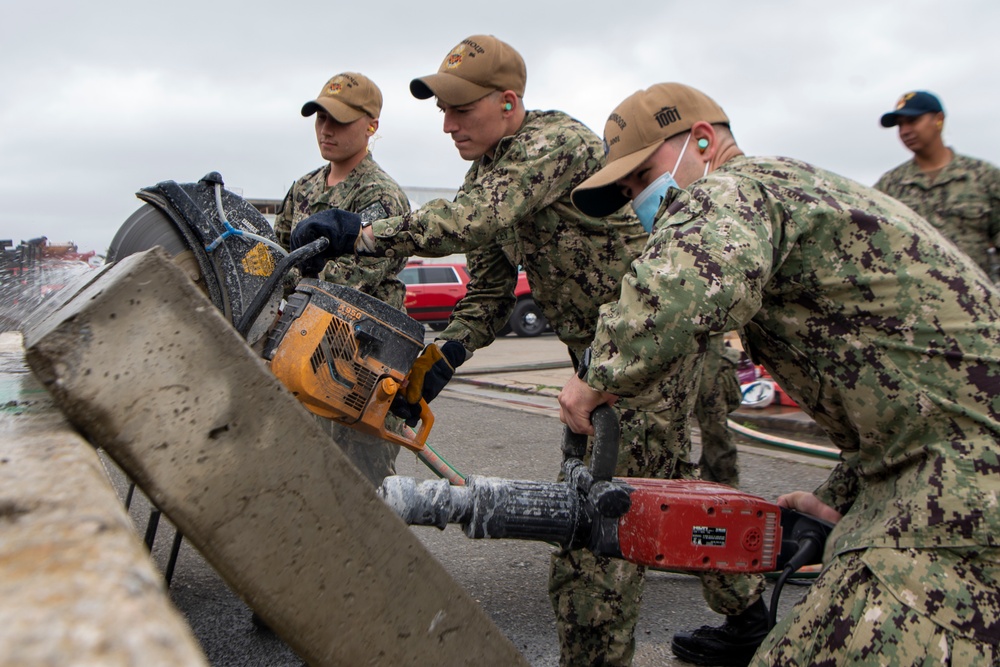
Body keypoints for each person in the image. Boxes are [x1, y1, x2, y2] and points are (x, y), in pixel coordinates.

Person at [288, 36, 766, 666]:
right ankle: (751, 613)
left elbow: (472, 219)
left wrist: (361, 233)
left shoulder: (553, 145)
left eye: (462, 109)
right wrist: (445, 357)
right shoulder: (484, 175)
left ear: (509, 102)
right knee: (667, 490)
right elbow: (487, 289)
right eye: (442, 110)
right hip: (603, 360)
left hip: (645, 355)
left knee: (599, 528)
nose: (448, 124)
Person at [561, 82, 1000, 665]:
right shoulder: (795, 192)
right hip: (929, 468)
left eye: (643, 179)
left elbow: (690, 282)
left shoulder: (739, 187)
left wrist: (596, 375)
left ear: (702, 141)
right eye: (626, 191)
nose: (639, 200)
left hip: (965, 487)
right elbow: (901, 386)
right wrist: (843, 495)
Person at [273, 71, 411, 487]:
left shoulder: (380, 196)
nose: (326, 129)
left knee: (357, 485)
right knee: (298, 471)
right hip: (300, 352)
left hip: (359, 365)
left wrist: (297, 278)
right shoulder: (304, 188)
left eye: (339, 120)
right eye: (320, 119)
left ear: (371, 126)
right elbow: (276, 258)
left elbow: (352, 280)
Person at [875, 90, 1000, 282]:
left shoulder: (982, 176)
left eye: (913, 121)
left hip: (979, 302)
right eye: (900, 125)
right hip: (916, 303)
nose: (905, 131)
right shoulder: (889, 186)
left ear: (938, 119)